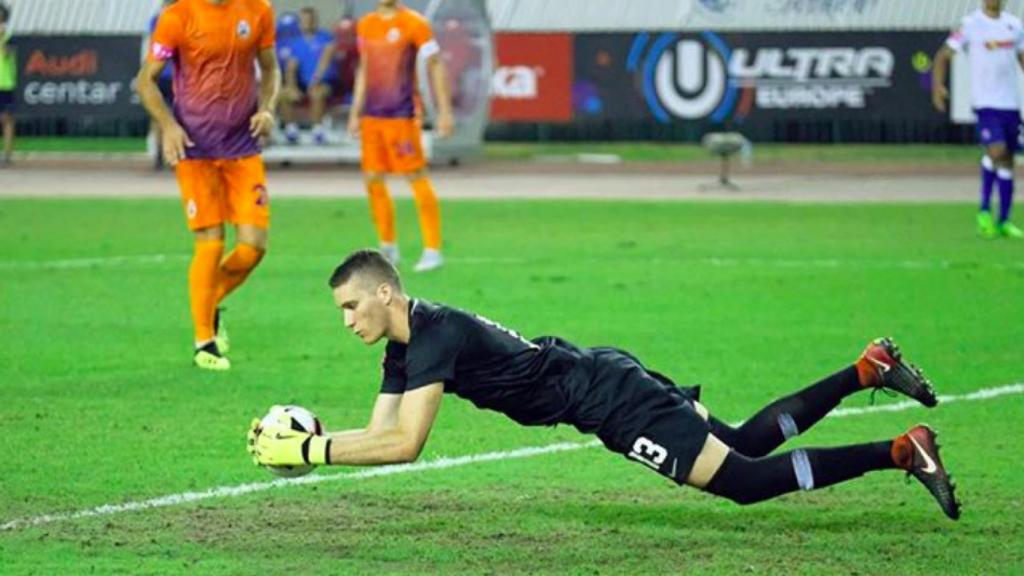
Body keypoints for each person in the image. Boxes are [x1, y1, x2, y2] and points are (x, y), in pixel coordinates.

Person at [249, 249, 962, 521]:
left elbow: (405, 446)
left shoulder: (431, 334)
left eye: (351, 306)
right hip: (602, 373)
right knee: (742, 442)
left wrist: (310, 455)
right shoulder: (405, 347)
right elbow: (379, 434)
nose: (346, 320)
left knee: (743, 483)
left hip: (611, 401)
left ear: (385, 294)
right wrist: (318, 445)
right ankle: (868, 368)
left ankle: (900, 452)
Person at [136, 0, 281, 371]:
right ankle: (205, 342)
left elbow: (270, 68)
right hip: (195, 148)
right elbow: (146, 80)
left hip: (242, 145)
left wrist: (267, 108)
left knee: (253, 247)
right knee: (211, 241)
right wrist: (169, 127)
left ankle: (208, 301)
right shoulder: (178, 16)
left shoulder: (257, 11)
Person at [347, 0, 454, 272]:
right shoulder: (366, 24)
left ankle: (432, 249)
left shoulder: (415, 23)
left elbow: (435, 64)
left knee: (415, 176)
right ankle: (388, 247)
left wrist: (443, 111)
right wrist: (355, 111)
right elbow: (364, 69)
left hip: (402, 115)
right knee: (372, 178)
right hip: (372, 116)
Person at [933, 0, 1024, 239]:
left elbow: (1022, 58)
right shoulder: (970, 24)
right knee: (997, 151)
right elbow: (944, 55)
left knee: (1007, 161)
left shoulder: (1014, 26)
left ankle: (1003, 220)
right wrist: (937, 86)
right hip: (986, 103)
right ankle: (984, 211)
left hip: (1011, 105)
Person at [279, 6, 336, 145]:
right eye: (304, 20)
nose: (307, 23)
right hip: (303, 83)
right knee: (284, 94)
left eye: (310, 20)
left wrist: (315, 81)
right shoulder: (296, 43)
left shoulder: (326, 38)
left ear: (315, 21)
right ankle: (291, 130)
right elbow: (291, 68)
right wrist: (291, 86)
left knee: (317, 93)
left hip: (324, 82)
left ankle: (317, 131)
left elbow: (325, 60)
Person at [145, 0, 178, 171]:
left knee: (159, 115)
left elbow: (153, 45)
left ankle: (160, 156)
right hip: (177, 75)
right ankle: (172, 156)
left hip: (159, 73)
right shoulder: (180, 17)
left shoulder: (156, 19)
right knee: (178, 116)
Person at [0, 1, 16, 167]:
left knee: (7, 119)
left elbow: (6, 54)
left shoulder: (10, 37)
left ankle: (7, 155)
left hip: (5, 83)